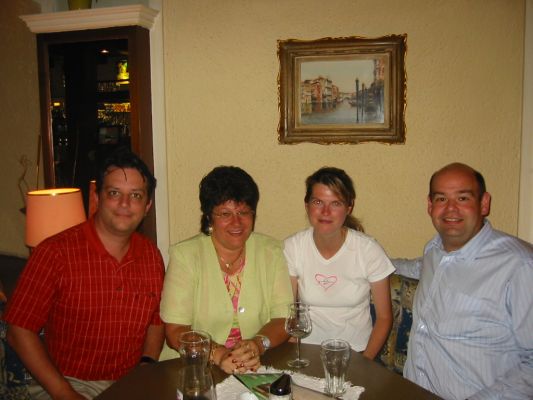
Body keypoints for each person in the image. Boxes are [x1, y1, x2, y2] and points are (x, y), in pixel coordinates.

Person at [3, 149, 165, 400]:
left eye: (135, 195)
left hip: (129, 381)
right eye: (114, 193)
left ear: (147, 206)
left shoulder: (151, 256)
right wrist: (65, 394)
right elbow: (19, 331)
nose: (124, 204)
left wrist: (146, 365)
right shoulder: (55, 252)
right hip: (67, 383)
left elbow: (156, 319)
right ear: (96, 197)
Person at [395, 162, 533, 399]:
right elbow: (416, 267)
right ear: (430, 205)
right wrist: (360, 257)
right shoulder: (435, 250)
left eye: (463, 198)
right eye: (441, 199)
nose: (450, 209)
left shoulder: (519, 266)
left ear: (484, 203)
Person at [160, 166, 293, 373]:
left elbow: (283, 318)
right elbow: (175, 330)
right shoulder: (185, 255)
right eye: (225, 213)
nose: (236, 222)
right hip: (194, 368)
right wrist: (217, 353)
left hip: (253, 366)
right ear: (209, 217)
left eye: (243, 212)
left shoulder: (271, 251)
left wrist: (257, 345)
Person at [284, 167, 394, 360]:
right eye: (318, 202)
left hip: (356, 354)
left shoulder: (367, 249)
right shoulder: (293, 247)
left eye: (335, 203)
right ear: (307, 205)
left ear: (349, 207)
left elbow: (384, 318)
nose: (325, 212)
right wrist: (291, 354)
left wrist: (365, 362)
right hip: (307, 353)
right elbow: (288, 311)